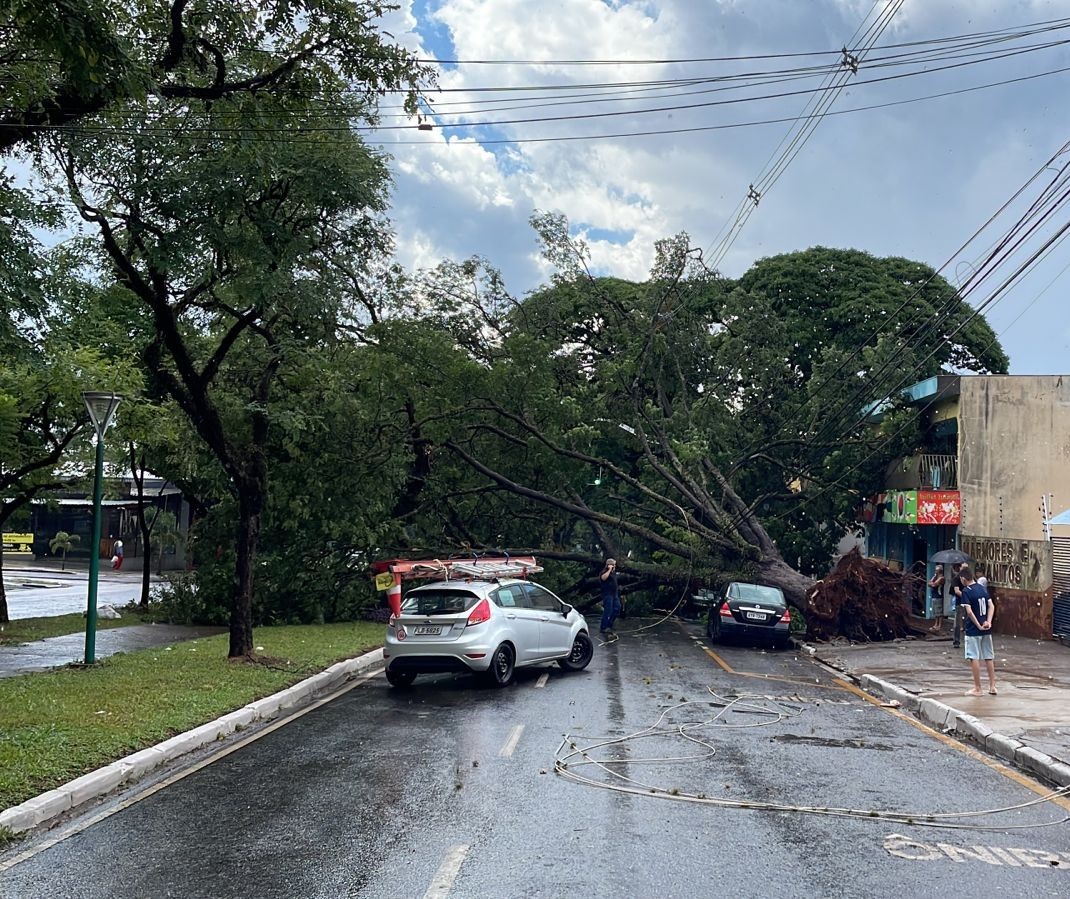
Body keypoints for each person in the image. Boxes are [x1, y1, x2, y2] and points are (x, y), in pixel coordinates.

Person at [958, 567, 997, 696]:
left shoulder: (966, 591)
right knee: (988, 657)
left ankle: (978, 688)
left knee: (973, 657)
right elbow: (991, 606)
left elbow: (969, 612)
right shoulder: (982, 588)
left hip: (973, 630)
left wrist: (978, 625)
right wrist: (988, 622)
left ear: (963, 579)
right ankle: (992, 686)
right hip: (987, 628)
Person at [599, 558, 622, 635]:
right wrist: (609, 570)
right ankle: (603, 627)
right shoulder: (604, 572)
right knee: (608, 611)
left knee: (617, 608)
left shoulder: (614, 573)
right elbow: (603, 578)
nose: (615, 566)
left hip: (614, 594)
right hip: (607, 594)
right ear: (609, 565)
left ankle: (609, 624)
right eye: (613, 565)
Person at [927, 565, 946, 632]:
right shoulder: (935, 577)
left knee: (939, 611)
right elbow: (929, 583)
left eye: (936, 570)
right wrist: (934, 577)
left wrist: (933, 583)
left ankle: (939, 625)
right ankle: (936, 624)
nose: (935, 571)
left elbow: (935, 584)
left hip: (938, 596)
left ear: (939, 571)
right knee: (935, 612)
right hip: (934, 596)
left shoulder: (942, 578)